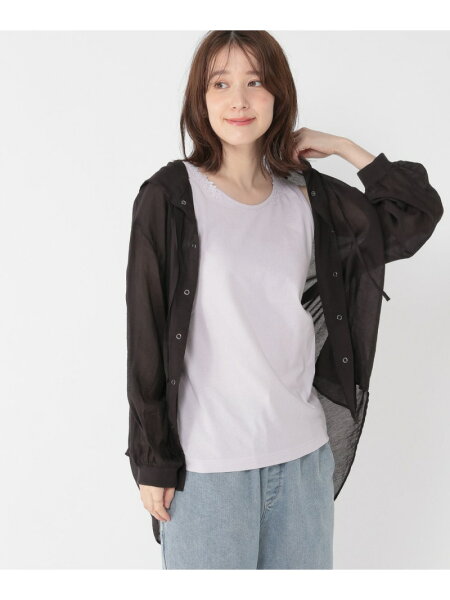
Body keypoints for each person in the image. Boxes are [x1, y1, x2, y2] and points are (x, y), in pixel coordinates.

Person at [124, 31, 443, 569]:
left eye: (255, 82)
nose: (239, 99)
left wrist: (340, 145)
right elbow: (146, 334)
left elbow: (414, 214)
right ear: (200, 99)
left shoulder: (305, 198)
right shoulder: (171, 196)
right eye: (220, 84)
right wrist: (151, 459)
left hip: (302, 462)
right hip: (207, 469)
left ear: (278, 94)